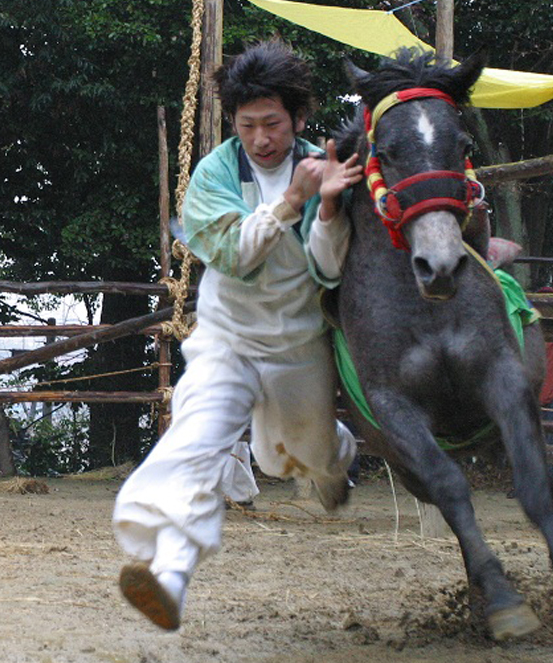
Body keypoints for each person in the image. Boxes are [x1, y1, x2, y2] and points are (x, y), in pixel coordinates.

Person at [112, 40, 364, 631]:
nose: (260, 138)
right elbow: (234, 255)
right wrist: (291, 203)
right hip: (226, 339)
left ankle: (337, 457)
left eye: (272, 123)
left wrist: (326, 210)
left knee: (294, 460)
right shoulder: (215, 173)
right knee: (193, 446)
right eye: (247, 125)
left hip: (299, 345)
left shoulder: (326, 166)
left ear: (298, 118)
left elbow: (329, 271)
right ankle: (168, 577)